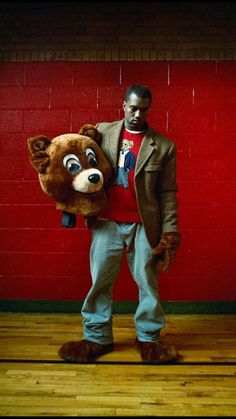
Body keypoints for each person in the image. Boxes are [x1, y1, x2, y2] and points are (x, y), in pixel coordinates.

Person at [59, 85, 181, 364]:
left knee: (147, 283)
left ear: (149, 109)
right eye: (133, 107)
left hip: (144, 226)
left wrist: (170, 230)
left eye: (144, 109)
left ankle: (149, 340)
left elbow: (168, 193)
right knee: (100, 281)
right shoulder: (102, 132)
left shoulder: (163, 146)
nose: (138, 114)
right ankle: (96, 337)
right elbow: (76, 163)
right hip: (106, 222)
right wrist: (69, 200)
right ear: (123, 104)